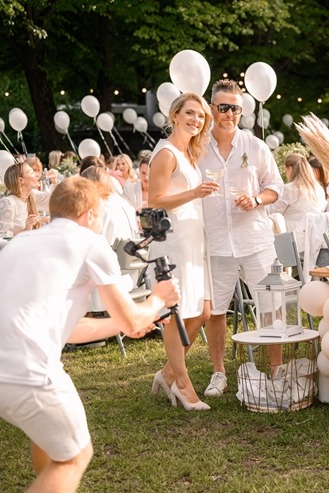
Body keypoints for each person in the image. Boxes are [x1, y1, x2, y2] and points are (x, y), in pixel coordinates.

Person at [0, 176, 180, 493]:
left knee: (53, 442)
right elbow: (131, 317)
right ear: (89, 215)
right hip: (27, 370)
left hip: (10, 367)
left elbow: (74, 328)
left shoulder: (21, 242)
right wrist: (159, 300)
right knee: (76, 456)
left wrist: (130, 324)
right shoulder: (89, 242)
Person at [199, 79, 283, 397]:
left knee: (270, 304)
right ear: (211, 109)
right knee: (217, 310)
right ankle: (219, 372)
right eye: (223, 107)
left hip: (254, 239)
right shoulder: (196, 147)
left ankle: (276, 368)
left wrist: (257, 199)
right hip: (216, 241)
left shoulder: (255, 146)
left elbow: (276, 186)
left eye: (235, 108)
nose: (229, 113)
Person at [148, 92, 218, 411]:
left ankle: (167, 373)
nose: (196, 120)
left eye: (201, 116)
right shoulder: (166, 154)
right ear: (175, 115)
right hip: (173, 241)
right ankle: (184, 386)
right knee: (174, 316)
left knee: (202, 311)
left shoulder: (188, 152)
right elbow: (155, 200)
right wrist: (194, 193)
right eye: (190, 113)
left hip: (193, 240)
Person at [266, 153, 327, 231]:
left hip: (292, 236)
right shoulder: (319, 189)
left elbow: (272, 211)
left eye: (286, 170)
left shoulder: (290, 189)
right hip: (314, 234)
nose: (286, 173)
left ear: (290, 169)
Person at [0, 161, 51, 235]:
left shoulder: (32, 195)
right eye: (32, 172)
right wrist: (26, 230)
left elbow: (55, 202)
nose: (37, 174)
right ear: (21, 180)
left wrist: (55, 182)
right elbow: (2, 237)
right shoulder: (8, 202)